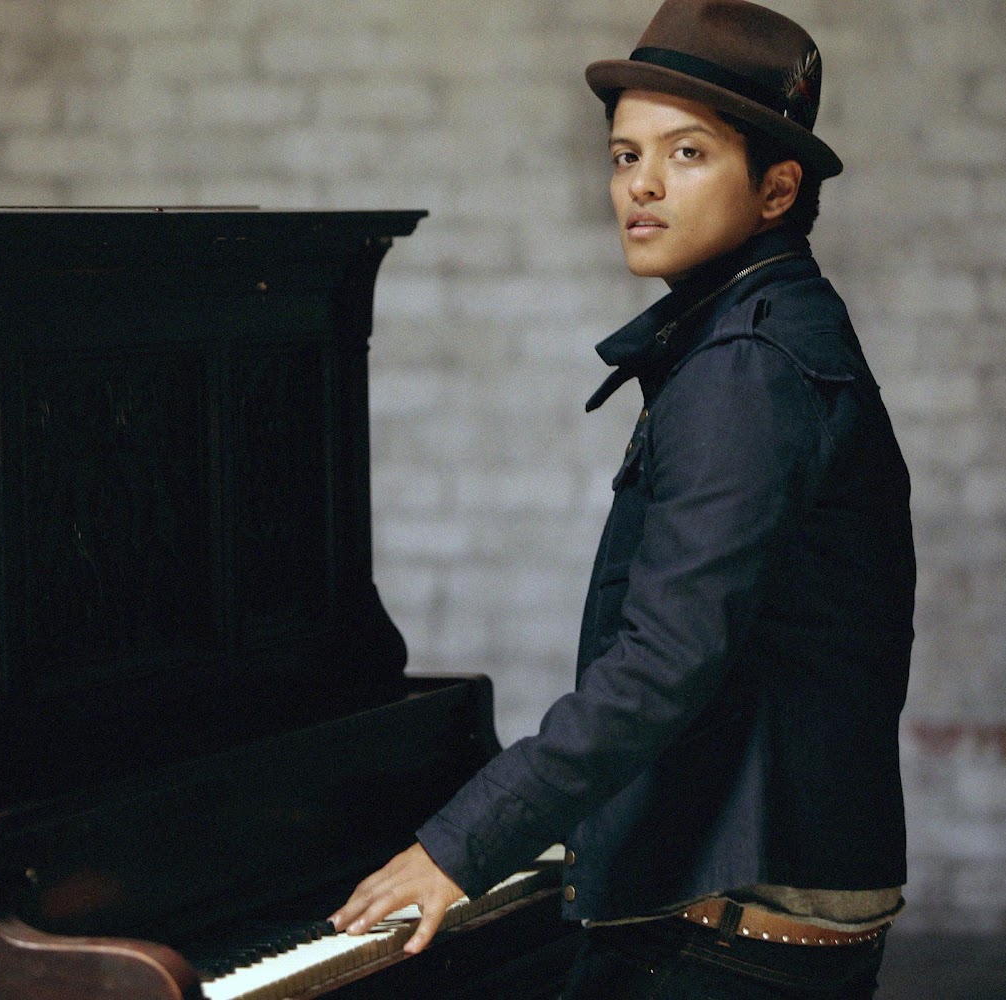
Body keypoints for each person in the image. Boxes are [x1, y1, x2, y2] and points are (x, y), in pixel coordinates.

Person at [331, 1, 916, 996]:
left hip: (728, 929)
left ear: (777, 188)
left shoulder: (745, 367)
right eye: (623, 156)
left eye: (687, 153)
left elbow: (663, 660)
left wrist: (461, 846)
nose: (640, 185)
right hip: (760, 893)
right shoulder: (774, 326)